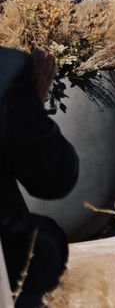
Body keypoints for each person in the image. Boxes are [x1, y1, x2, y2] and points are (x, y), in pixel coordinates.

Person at [0, 47, 79, 307]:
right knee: (45, 240)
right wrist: (33, 101)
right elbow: (53, 180)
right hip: (8, 266)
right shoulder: (8, 69)